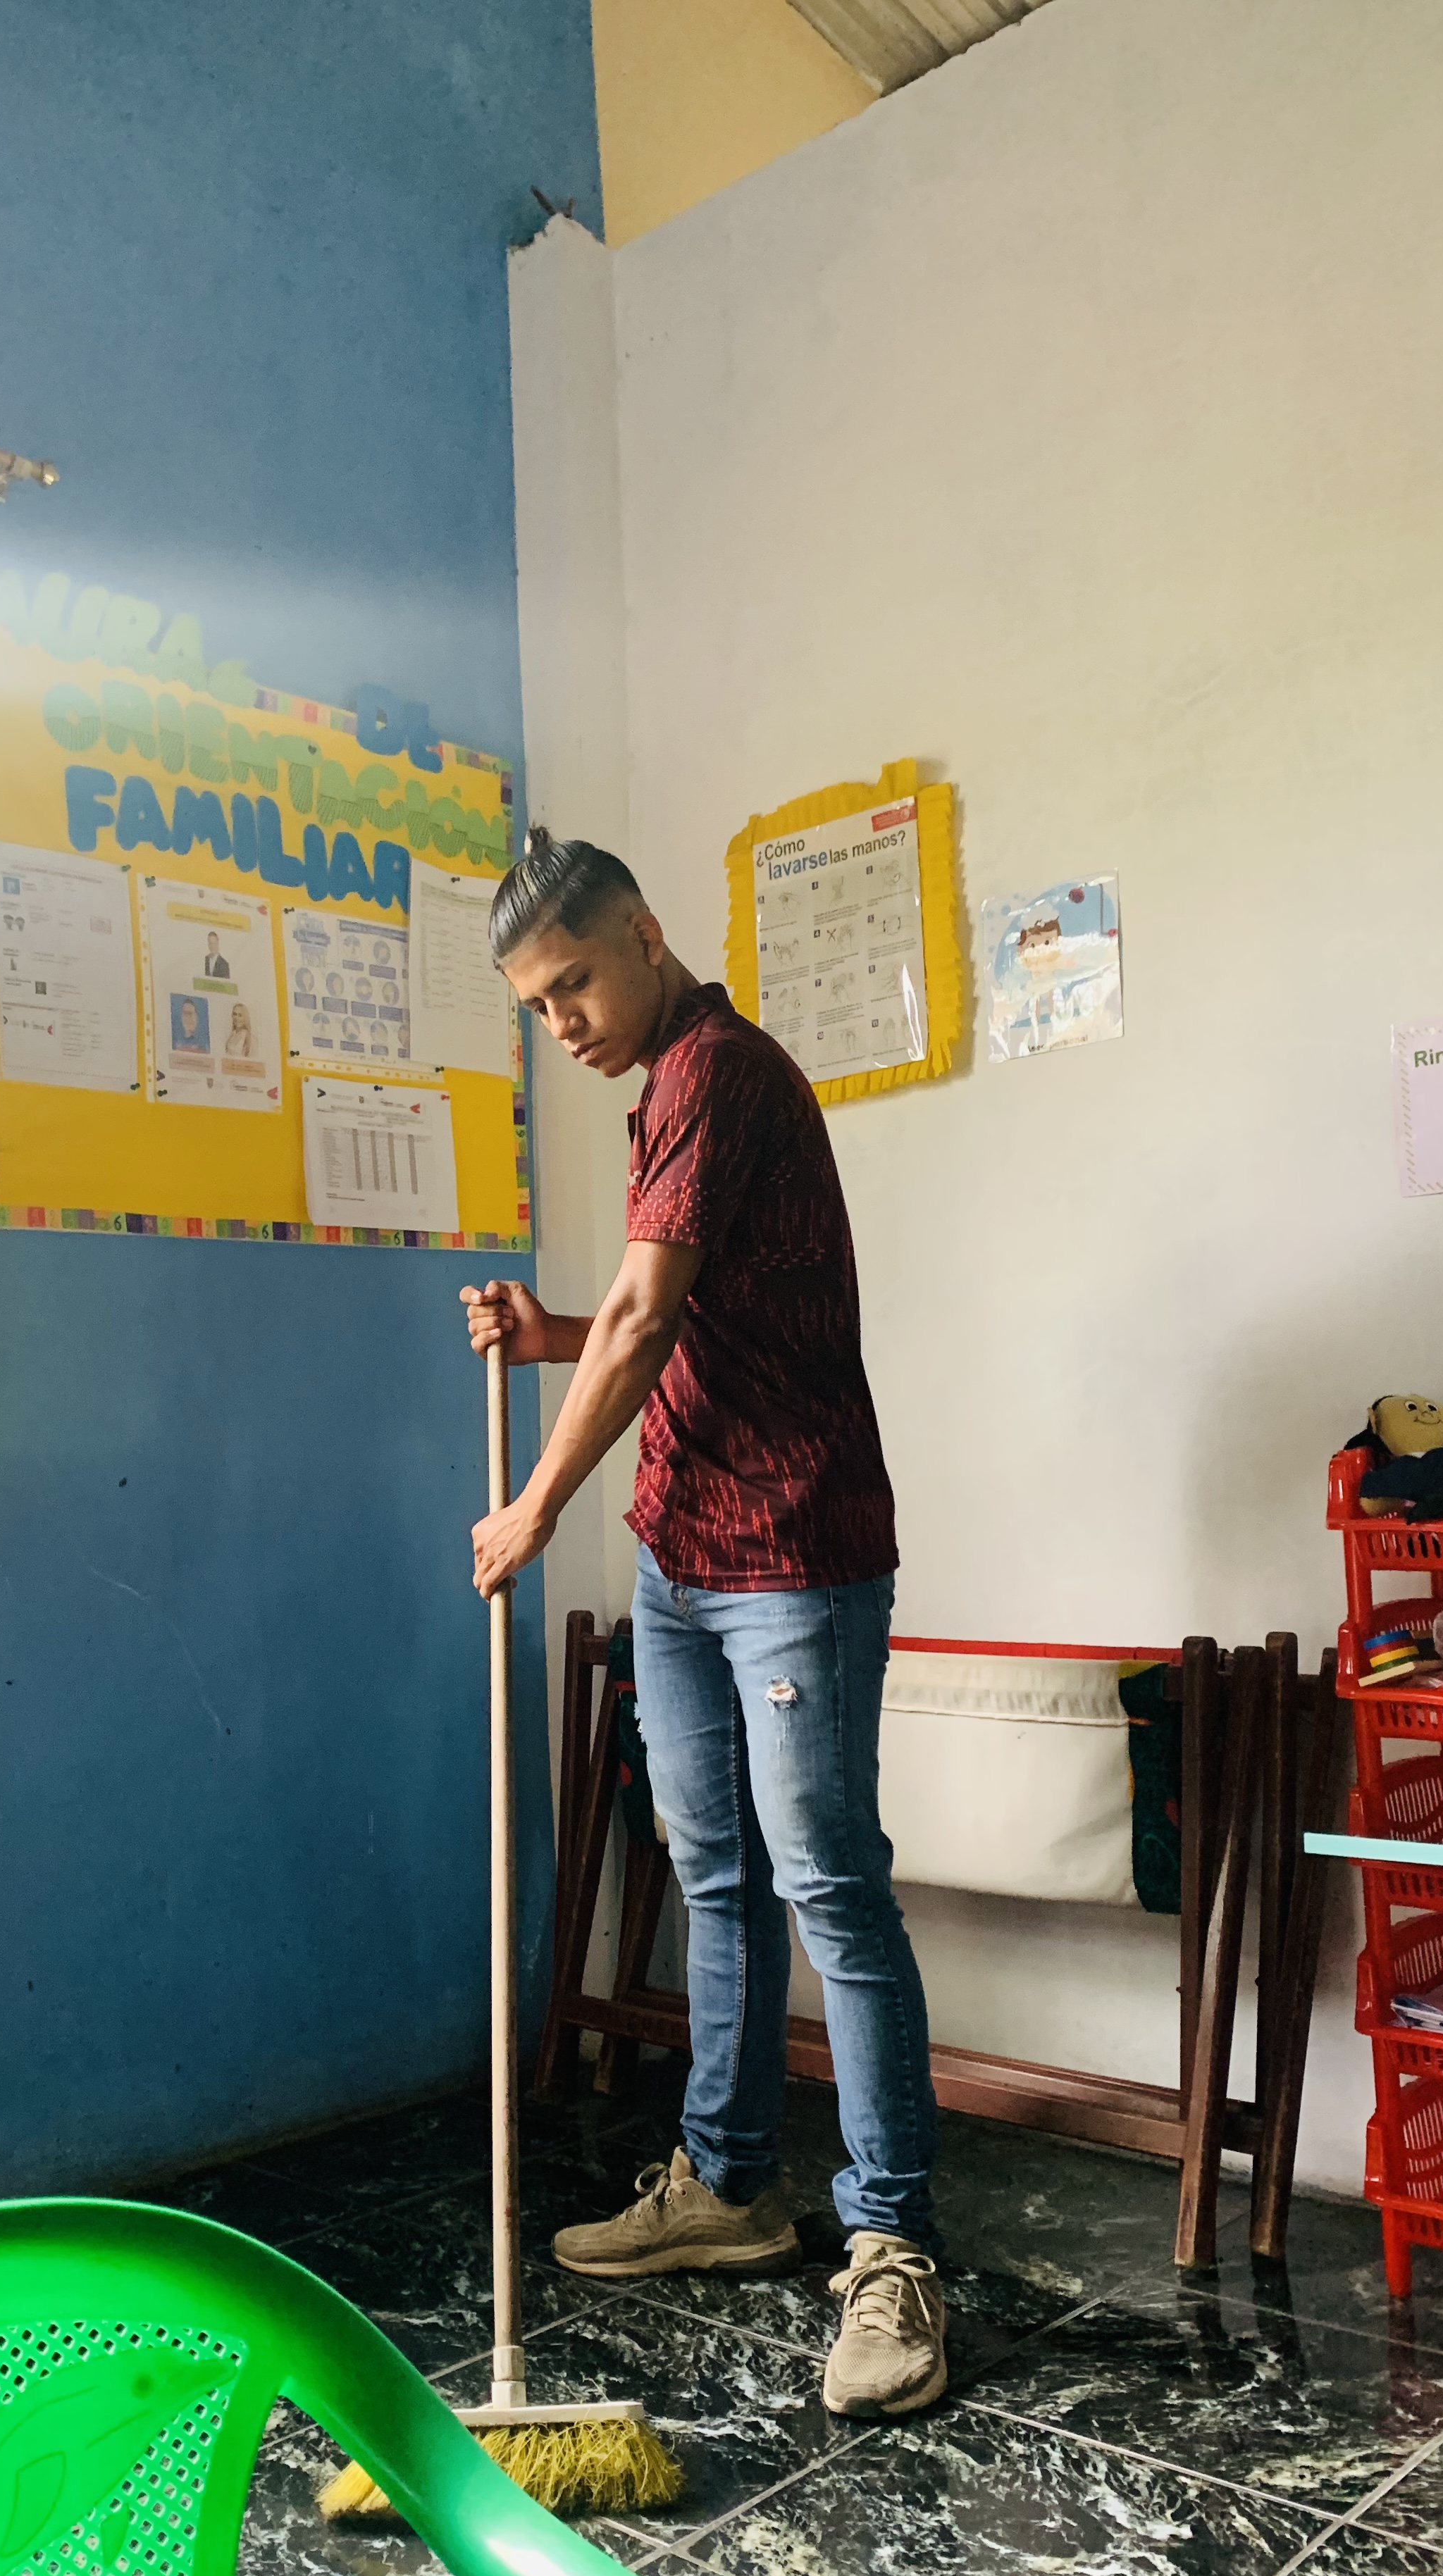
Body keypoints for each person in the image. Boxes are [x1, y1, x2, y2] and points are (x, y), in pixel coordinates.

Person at [459, 826, 945, 2418]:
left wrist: (534, 1505)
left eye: (574, 984)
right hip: (681, 1551)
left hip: (790, 1554)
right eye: (537, 1006)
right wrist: (555, 1332)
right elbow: (670, 1315)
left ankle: (893, 2248)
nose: (562, 1022)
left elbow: (652, 1308)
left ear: (647, 937)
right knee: (716, 1875)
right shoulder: (663, 1086)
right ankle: (728, 2186)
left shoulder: (720, 1072)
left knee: (830, 1885)